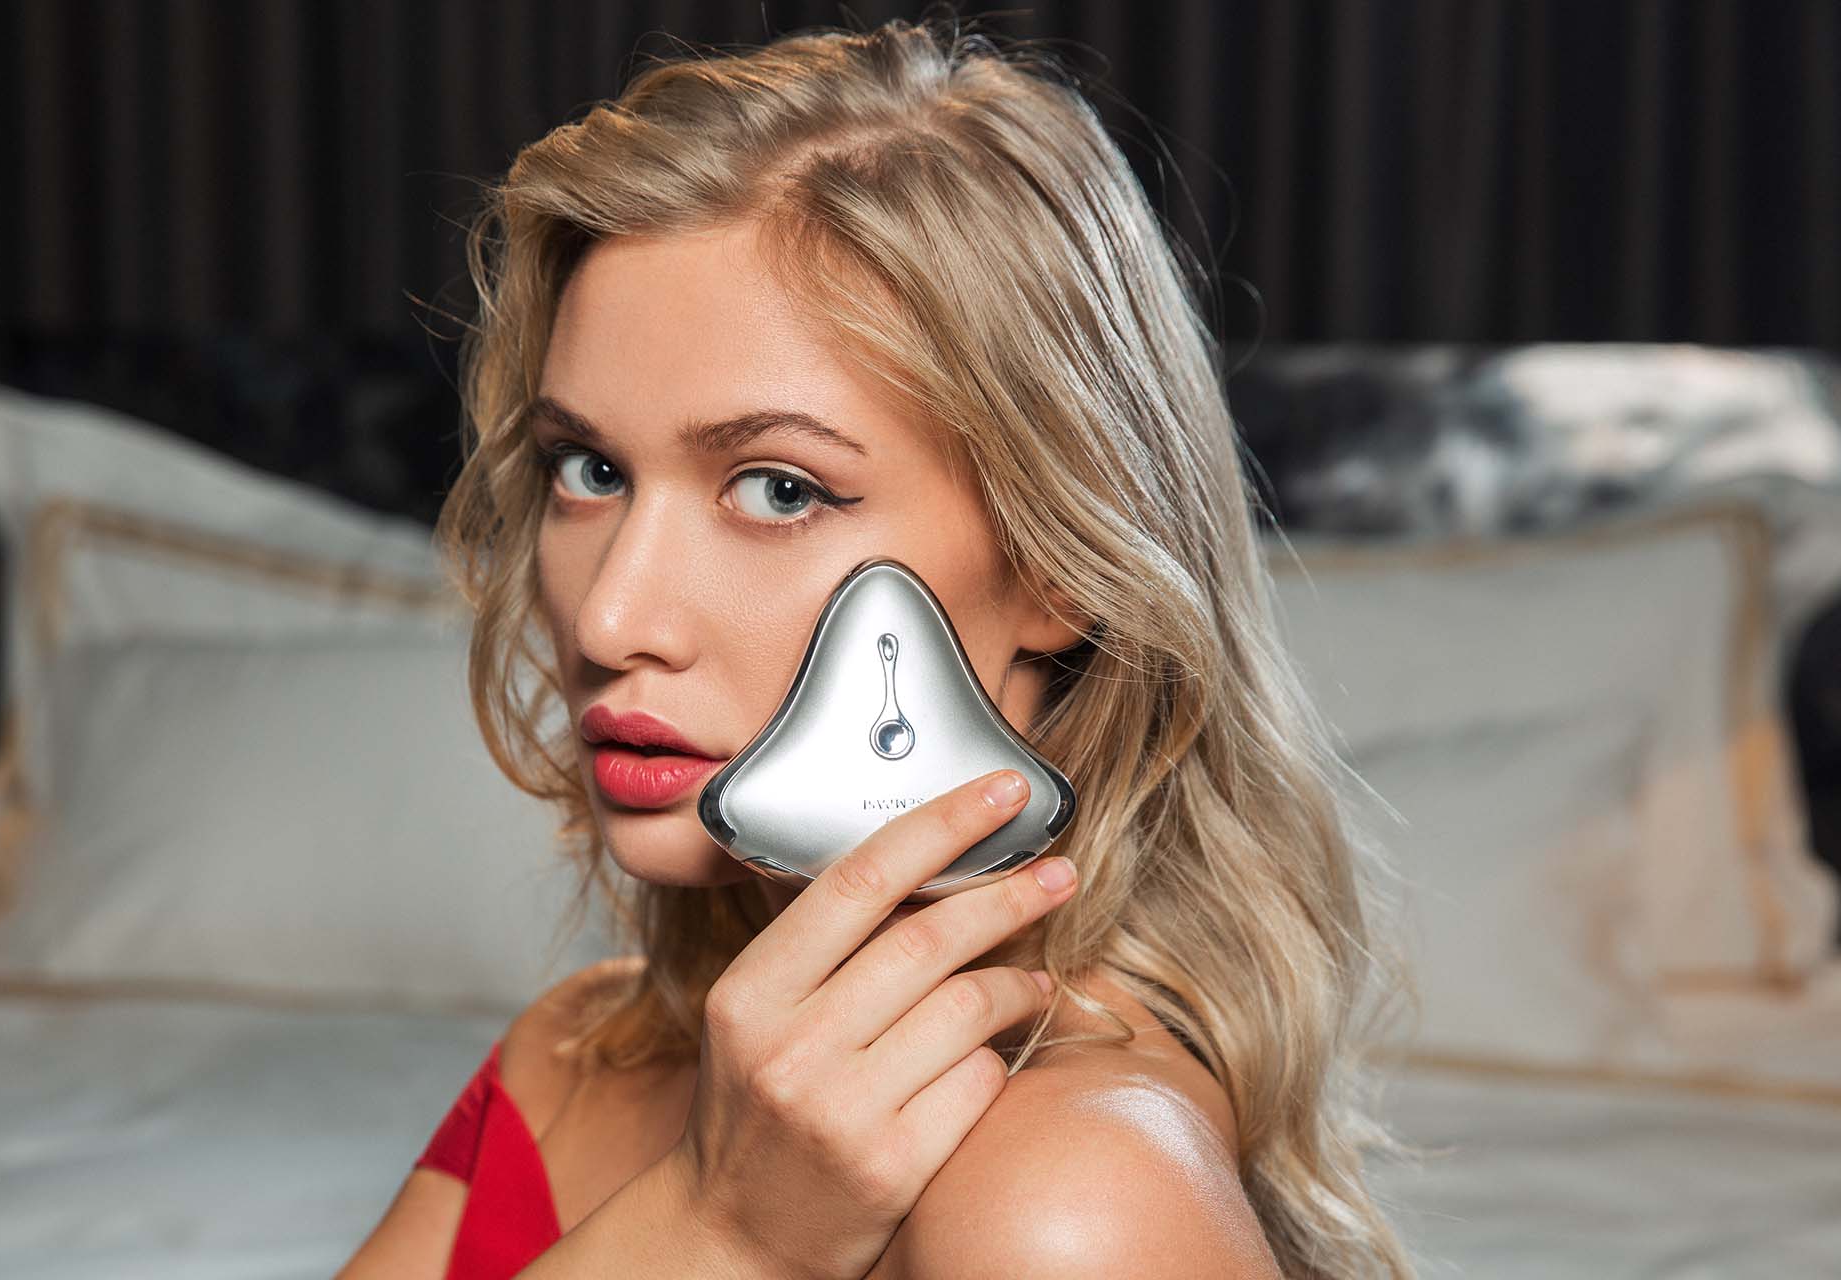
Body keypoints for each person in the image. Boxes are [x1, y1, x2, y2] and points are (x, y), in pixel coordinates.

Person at [338, 15, 1413, 1280]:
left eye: (778, 488)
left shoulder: (1070, 1204)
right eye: (589, 468)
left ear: (1061, 564)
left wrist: (726, 1234)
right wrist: (708, 1222)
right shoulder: (575, 1052)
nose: (611, 617)